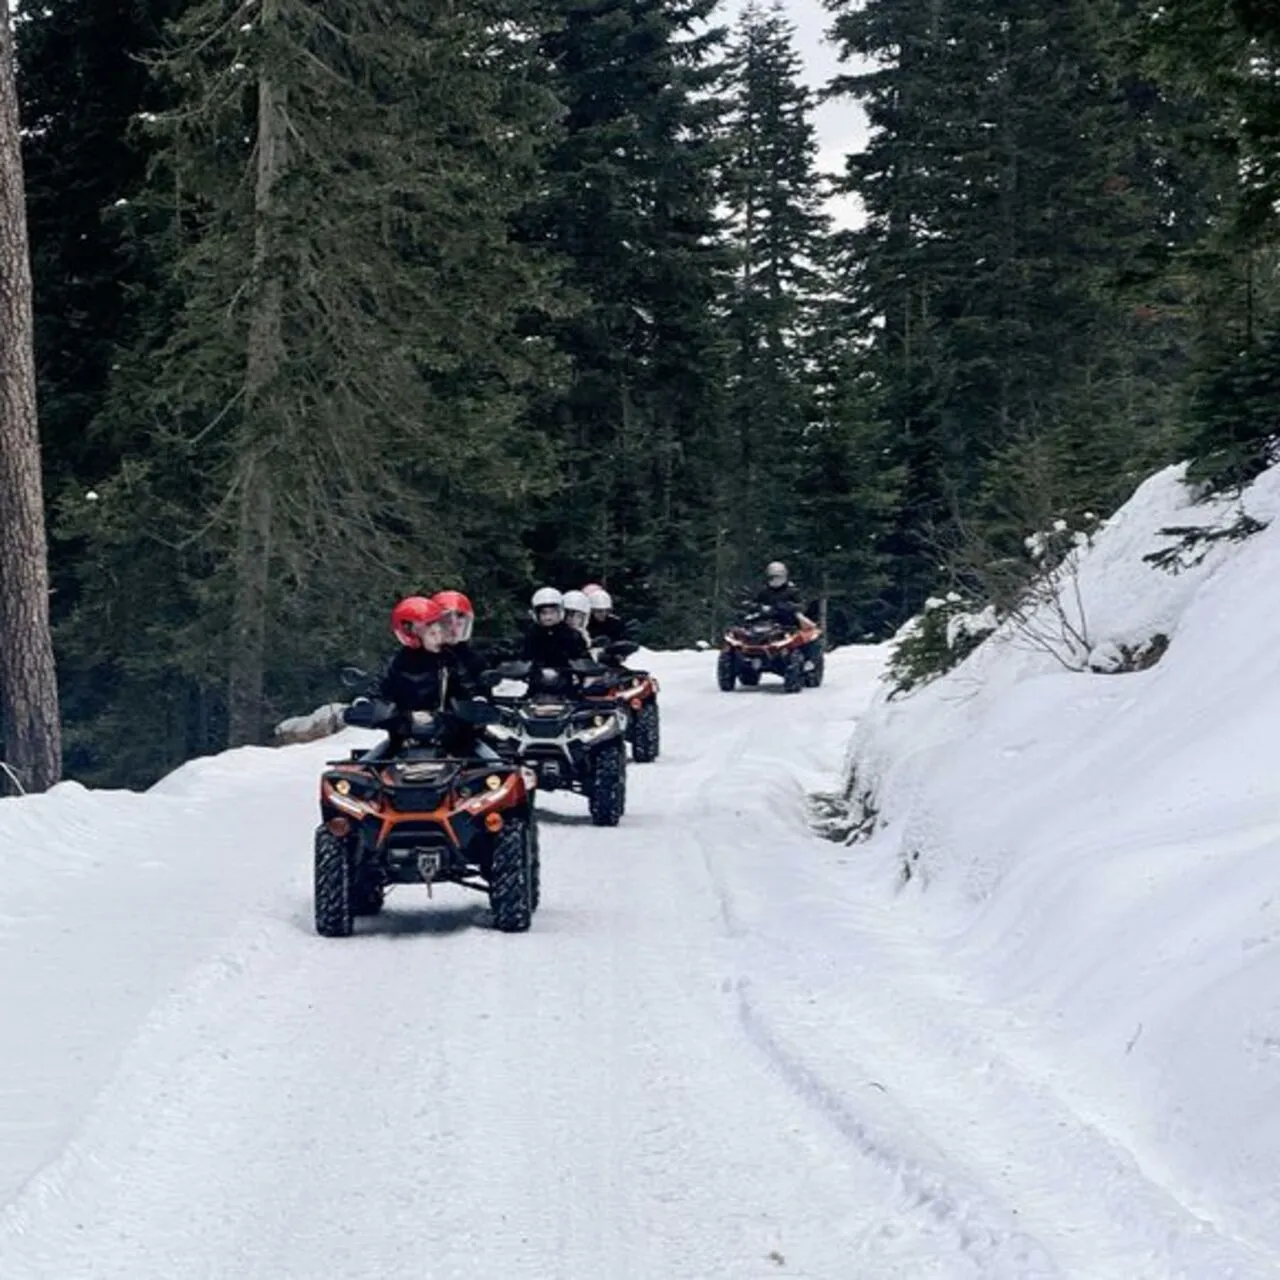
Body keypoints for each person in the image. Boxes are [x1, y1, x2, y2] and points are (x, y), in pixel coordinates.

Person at [364, 596, 483, 756]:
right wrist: (365, 703)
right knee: (364, 770)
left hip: (449, 735)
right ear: (410, 632)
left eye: (439, 629)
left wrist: (477, 701)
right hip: (404, 735)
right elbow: (379, 684)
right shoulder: (396, 662)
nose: (438, 635)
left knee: (492, 767)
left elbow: (466, 684)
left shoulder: (448, 659)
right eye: (431, 632)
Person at [521, 587, 589, 669]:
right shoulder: (530, 634)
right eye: (544, 613)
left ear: (560, 612)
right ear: (537, 614)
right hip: (535, 678)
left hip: (566, 678)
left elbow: (584, 661)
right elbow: (522, 659)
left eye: (552, 612)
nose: (548, 617)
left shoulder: (572, 635)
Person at [432, 589, 486, 686]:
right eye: (447, 616)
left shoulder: (476, 661)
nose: (454, 623)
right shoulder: (417, 659)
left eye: (460, 615)